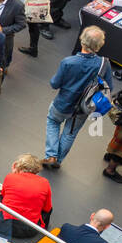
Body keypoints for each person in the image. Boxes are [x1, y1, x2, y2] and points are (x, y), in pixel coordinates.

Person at [42, 25, 109, 169]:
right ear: (99, 45)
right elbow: (109, 87)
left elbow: (54, 84)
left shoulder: (68, 62)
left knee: (53, 121)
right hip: (83, 108)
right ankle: (58, 160)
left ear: (82, 41)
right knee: (70, 133)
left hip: (63, 103)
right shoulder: (104, 64)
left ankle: (51, 155)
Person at [0, 154, 52, 238]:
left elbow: (4, 195)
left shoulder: (10, 177)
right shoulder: (45, 183)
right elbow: (47, 208)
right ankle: (44, 231)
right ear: (37, 170)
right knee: (47, 209)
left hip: (2, 224)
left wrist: (14, 173)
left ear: (19, 166)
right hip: (28, 230)